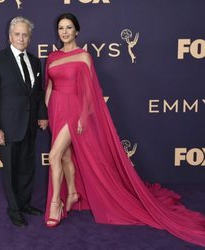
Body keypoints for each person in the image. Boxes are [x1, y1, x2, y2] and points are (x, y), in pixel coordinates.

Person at [44, 12, 205, 246]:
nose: (65, 32)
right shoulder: (52, 56)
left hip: (72, 111)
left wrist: (82, 116)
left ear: (76, 31)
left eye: (69, 27)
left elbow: (90, 93)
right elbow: (48, 87)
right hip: (55, 109)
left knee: (54, 155)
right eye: (61, 28)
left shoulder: (84, 57)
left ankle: (55, 205)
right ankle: (72, 194)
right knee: (66, 156)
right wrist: (47, 111)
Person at [0, 16, 48, 227]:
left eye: (25, 35)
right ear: (10, 36)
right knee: (10, 170)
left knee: (27, 168)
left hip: (29, 125)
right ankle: (14, 210)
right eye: (17, 34)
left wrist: (42, 115)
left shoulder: (35, 61)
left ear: (29, 38)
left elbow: (37, 95)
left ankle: (25, 204)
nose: (21, 38)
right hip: (8, 127)